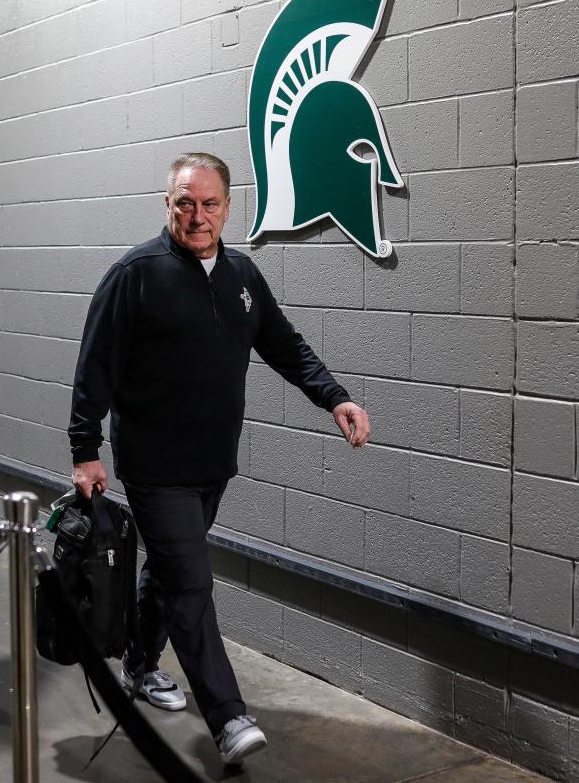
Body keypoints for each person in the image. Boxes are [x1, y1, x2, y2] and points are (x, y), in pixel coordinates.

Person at [68, 152, 371, 766]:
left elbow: (284, 344)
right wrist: (85, 449)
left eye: (209, 204)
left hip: (212, 463)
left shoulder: (241, 275)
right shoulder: (137, 274)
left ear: (229, 208)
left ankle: (139, 663)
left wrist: (334, 397)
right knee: (192, 581)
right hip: (154, 466)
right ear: (167, 204)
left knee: (170, 575)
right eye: (185, 202)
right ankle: (228, 718)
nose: (197, 215)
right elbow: (94, 365)